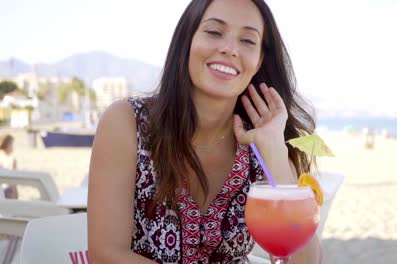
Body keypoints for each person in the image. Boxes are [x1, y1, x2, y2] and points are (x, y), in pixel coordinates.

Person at [88, 0, 321, 263]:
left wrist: (274, 150)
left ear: (258, 62)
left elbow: (305, 261)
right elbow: (106, 255)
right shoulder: (127, 122)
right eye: (214, 32)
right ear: (187, 40)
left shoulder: (263, 139)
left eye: (247, 40)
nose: (230, 49)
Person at [0, 134, 18, 199]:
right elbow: (13, 178)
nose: (13, 147)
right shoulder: (12, 159)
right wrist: (16, 196)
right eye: (12, 144)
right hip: (7, 189)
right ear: (7, 145)